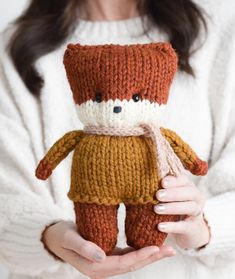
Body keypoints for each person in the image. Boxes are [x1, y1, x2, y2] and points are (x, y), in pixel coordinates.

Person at [0, 0, 235, 278]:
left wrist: (205, 226)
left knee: (151, 216)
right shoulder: (16, 48)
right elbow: (6, 197)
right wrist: (49, 236)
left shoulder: (217, 29)